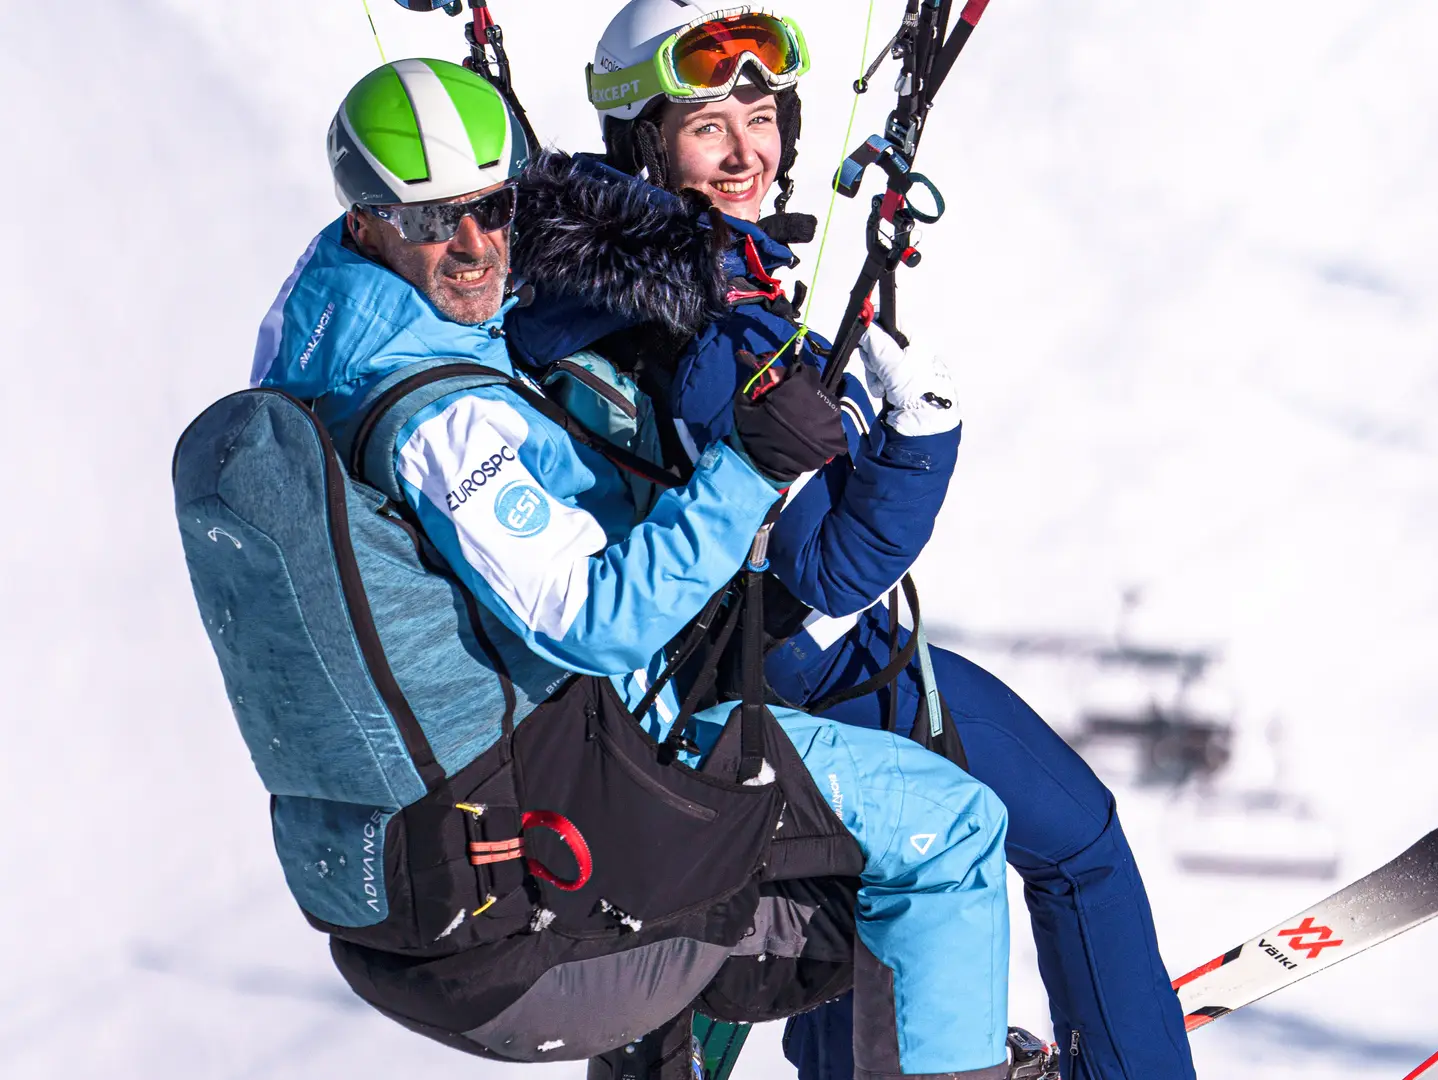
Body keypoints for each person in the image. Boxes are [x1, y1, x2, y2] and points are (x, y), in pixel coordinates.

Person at [236, 57, 1014, 1080]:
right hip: (572, 831)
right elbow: (595, 620)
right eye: (434, 222)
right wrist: (752, 466)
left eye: (492, 208)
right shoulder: (438, 417)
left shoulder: (318, 333)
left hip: (473, 829)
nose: (474, 247)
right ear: (370, 220)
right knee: (953, 831)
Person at [505, 4, 1200, 1077]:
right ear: (645, 140)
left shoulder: (586, 286)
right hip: (797, 676)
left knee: (866, 905)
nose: (747, 150)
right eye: (707, 125)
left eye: (760, 113)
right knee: (1080, 848)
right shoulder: (707, 323)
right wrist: (923, 433)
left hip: (691, 676)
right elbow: (834, 562)